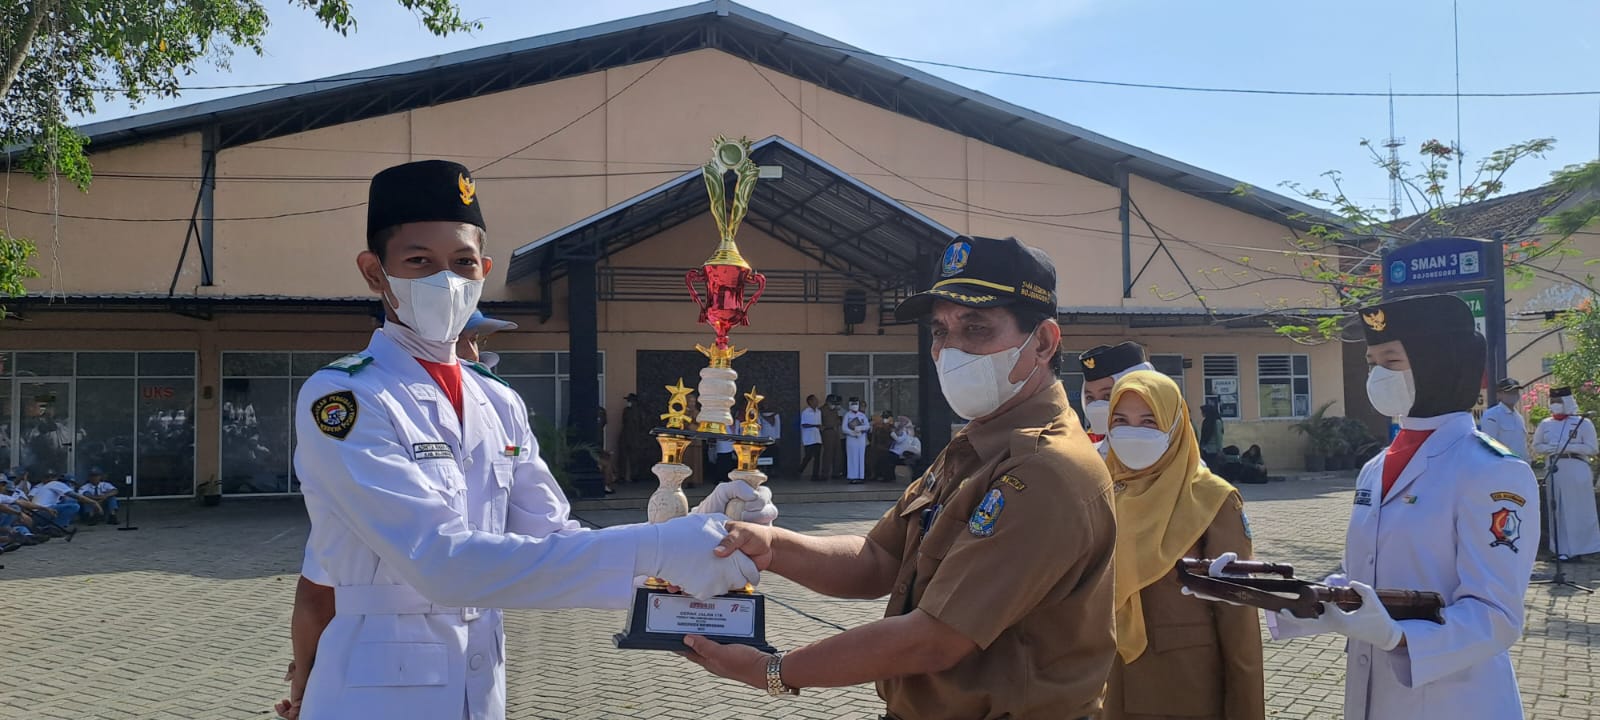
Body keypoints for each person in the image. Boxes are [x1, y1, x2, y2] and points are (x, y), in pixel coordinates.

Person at [282, 159, 771, 720]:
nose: (447, 280)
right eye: (420, 262)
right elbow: (439, 562)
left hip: (480, 682)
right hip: (372, 692)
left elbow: (552, 537)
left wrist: (687, 534)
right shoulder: (345, 399)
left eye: (464, 263)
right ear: (374, 272)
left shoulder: (497, 401)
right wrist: (659, 549)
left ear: (484, 268)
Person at [680, 235, 1116, 720]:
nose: (950, 349)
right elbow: (879, 558)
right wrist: (769, 545)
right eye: (940, 330)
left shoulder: (1045, 469)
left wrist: (773, 670)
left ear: (1043, 341)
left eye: (976, 328)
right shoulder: (978, 443)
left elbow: (935, 639)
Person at [1199, 294, 1539, 720]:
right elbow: (1358, 581)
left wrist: (1399, 637)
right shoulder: (1377, 467)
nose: (1378, 375)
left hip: (1455, 701)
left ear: (1439, 364)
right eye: (1372, 362)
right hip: (1373, 694)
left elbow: (1497, 615)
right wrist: (1260, 591)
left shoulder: (1489, 471)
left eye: (1392, 362)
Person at [1100, 370, 1263, 720]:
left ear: (1175, 426)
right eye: (1121, 420)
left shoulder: (1211, 499)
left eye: (1149, 421)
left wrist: (1245, 707)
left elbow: (1238, 620)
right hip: (1106, 681)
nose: (1134, 432)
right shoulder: (1099, 491)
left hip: (1183, 684)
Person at [1532, 386, 1600, 560]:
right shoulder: (1546, 424)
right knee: (1558, 509)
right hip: (1554, 468)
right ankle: (1561, 549)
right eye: (1553, 401)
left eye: (1559, 402)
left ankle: (1584, 548)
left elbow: (1592, 448)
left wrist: (1567, 446)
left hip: (1576, 466)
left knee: (1578, 509)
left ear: (1568, 402)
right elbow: (1536, 446)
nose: (1555, 405)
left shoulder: (1583, 422)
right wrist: (1551, 448)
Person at [1077, 342, 1154, 458]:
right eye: (1090, 398)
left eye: (1107, 396)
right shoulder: (1090, 455)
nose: (1096, 406)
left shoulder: (1169, 449)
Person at [1478, 378, 1529, 460]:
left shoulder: (1519, 417)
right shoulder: (1492, 415)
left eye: (1515, 392)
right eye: (1509, 392)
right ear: (1499, 394)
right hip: (1503, 466)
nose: (1513, 395)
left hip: (1520, 466)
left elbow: (1522, 445)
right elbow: (1490, 445)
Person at [843, 399, 870, 484]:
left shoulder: (862, 415)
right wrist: (852, 433)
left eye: (856, 404)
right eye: (853, 404)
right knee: (852, 457)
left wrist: (860, 428)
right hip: (851, 439)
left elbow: (867, 426)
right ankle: (852, 476)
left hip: (861, 439)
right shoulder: (847, 415)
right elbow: (844, 428)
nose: (855, 406)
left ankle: (860, 476)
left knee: (861, 457)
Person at [798, 395, 824, 482]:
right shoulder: (806, 412)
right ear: (810, 402)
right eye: (815, 400)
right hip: (809, 439)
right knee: (808, 456)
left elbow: (819, 425)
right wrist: (815, 425)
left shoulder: (818, 412)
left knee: (817, 457)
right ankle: (799, 471)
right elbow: (804, 424)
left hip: (817, 438)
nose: (817, 402)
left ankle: (815, 476)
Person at [822, 395, 844, 480]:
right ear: (827, 402)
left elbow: (837, 420)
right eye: (832, 403)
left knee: (838, 453)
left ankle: (836, 472)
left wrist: (839, 421)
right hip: (827, 432)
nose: (833, 405)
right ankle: (825, 473)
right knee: (828, 453)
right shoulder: (822, 410)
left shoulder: (834, 410)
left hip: (836, 432)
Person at [1198, 401, 1225, 467]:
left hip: (1212, 450)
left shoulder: (1215, 422)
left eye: (1203, 412)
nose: (1202, 413)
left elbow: (1218, 437)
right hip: (1208, 450)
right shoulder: (1206, 421)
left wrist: (1219, 450)